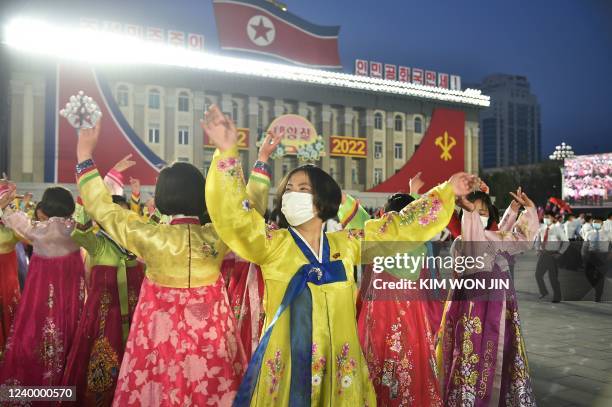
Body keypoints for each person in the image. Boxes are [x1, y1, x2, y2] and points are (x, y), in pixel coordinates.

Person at [202, 104, 474, 406]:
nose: (293, 194)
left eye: (303, 188)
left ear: (322, 201)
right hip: (289, 370)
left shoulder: (346, 245)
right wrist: (226, 153)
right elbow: (235, 220)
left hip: (339, 371)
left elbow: (396, 228)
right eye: (288, 189)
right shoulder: (273, 244)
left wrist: (446, 191)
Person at [74, 118, 275, 406]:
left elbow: (103, 210)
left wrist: (84, 157)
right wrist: (260, 161)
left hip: (159, 334)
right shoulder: (216, 237)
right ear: (202, 195)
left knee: (160, 386)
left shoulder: (150, 236)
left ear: (162, 196)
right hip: (211, 334)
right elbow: (249, 210)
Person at [437, 188, 539, 407]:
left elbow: (521, 238)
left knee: (501, 351)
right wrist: (470, 212)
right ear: (465, 213)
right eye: (474, 211)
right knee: (473, 350)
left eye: (483, 211)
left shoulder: (494, 237)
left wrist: (524, 209)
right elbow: (475, 241)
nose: (479, 214)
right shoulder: (463, 242)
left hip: (500, 304)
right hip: (473, 306)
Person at [61, 194, 145, 406]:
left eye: (125, 213)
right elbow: (79, 232)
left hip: (136, 322)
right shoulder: (96, 244)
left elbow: (158, 223)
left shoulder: (137, 245)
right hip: (103, 322)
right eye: (115, 213)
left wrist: (137, 197)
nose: (121, 218)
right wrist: (85, 196)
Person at [0, 184, 86, 387]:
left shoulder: (39, 230)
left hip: (41, 298)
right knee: (69, 334)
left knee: (37, 334)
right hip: (69, 298)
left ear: (45, 207)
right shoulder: (76, 231)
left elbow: (17, 221)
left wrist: (6, 205)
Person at [534, 211, 569, 303]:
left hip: (553, 255)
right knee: (538, 274)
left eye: (548, 217)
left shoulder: (558, 229)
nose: (545, 219)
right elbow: (538, 240)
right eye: (544, 217)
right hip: (544, 254)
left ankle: (557, 297)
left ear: (553, 218)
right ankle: (544, 291)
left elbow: (566, 242)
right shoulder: (542, 228)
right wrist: (537, 249)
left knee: (553, 277)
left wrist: (560, 253)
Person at [581, 217, 611, 302]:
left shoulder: (607, 234)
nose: (596, 223)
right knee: (587, 273)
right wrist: (584, 257)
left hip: (603, 256)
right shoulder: (589, 233)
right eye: (594, 222)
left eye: (598, 222)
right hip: (591, 256)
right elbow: (584, 247)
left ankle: (598, 295)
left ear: (602, 223)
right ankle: (597, 288)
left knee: (600, 276)